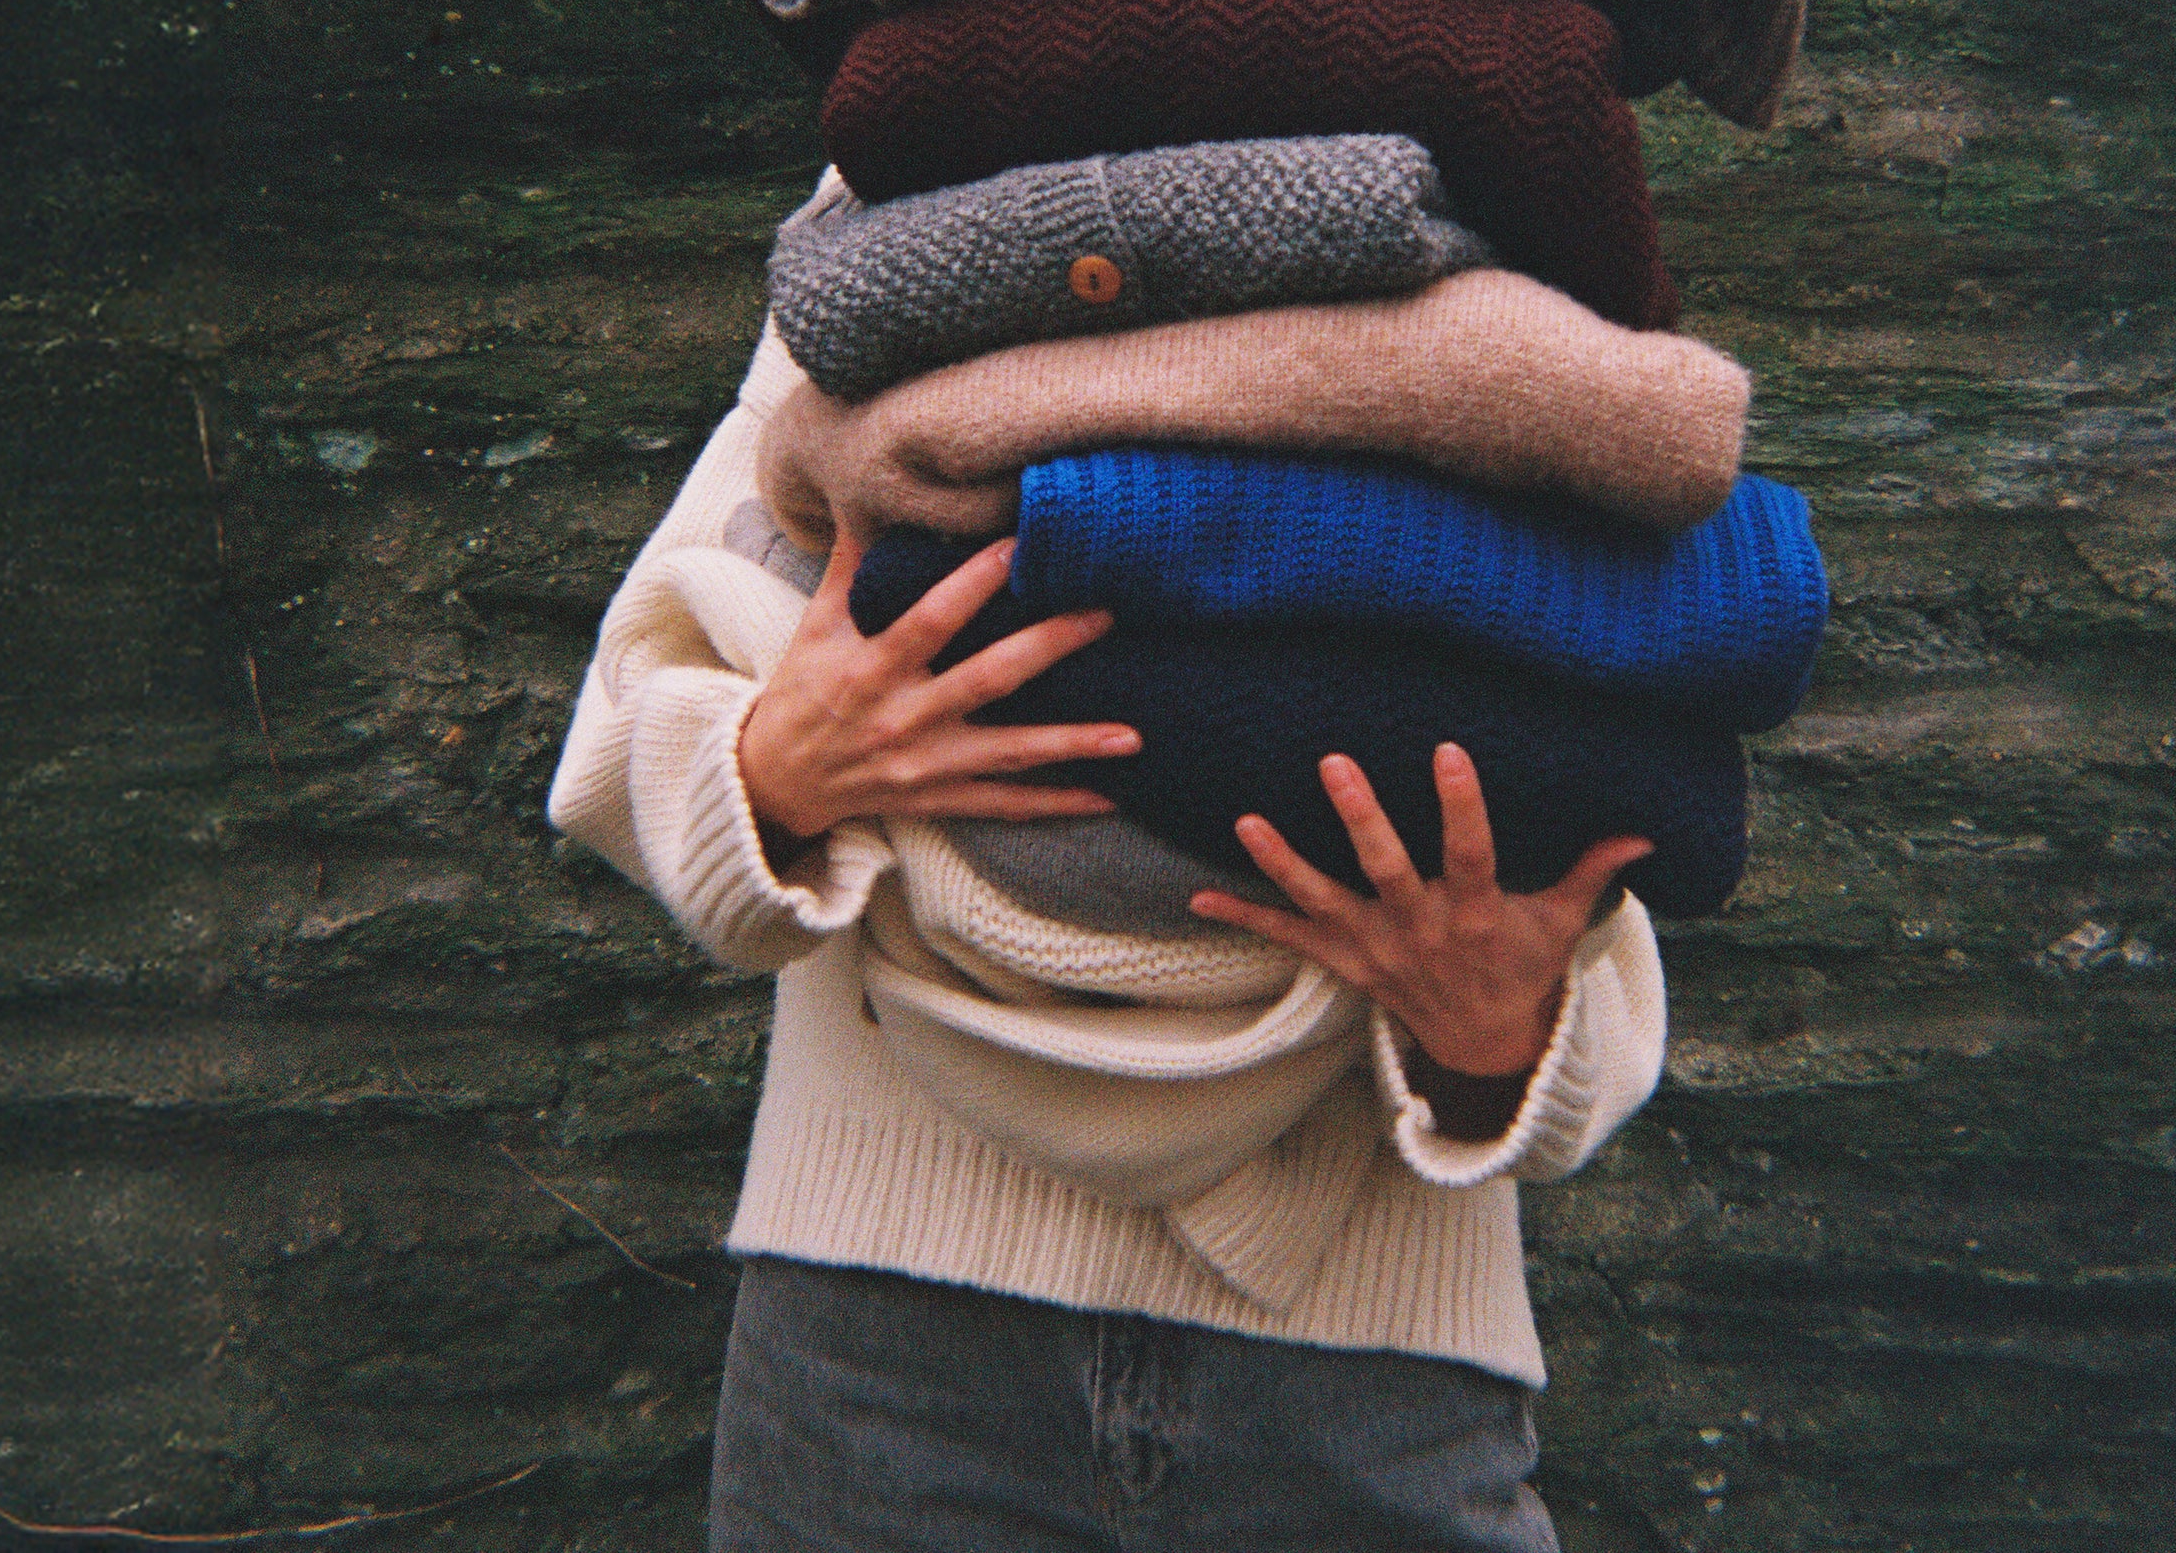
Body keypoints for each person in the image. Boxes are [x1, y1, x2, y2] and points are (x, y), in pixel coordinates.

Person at [546, 299, 1670, 1551]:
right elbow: (615, 741)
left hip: (1370, 1385)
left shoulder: (1492, 253)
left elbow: (1602, 795)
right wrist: (775, 768)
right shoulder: (911, 250)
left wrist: (1502, 1041)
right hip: (881, 1349)